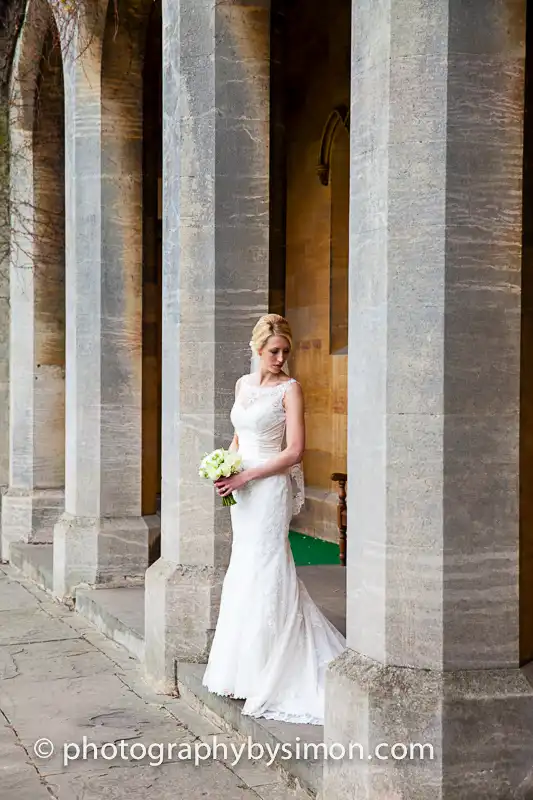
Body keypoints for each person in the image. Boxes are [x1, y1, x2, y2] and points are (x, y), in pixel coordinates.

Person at [201, 314, 346, 724]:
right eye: (273, 352)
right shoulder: (243, 386)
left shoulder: (290, 390)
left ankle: (272, 669)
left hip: (268, 488)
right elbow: (239, 436)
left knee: (267, 567)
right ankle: (240, 671)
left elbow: (295, 450)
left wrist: (248, 473)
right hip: (243, 491)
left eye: (285, 351)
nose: (281, 358)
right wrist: (225, 466)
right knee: (243, 568)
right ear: (257, 351)